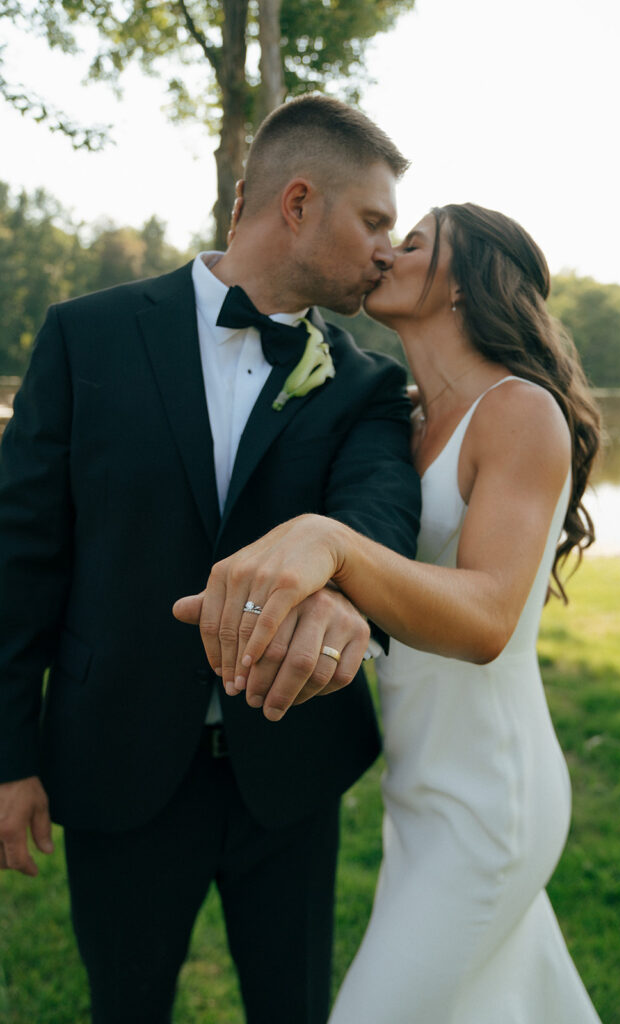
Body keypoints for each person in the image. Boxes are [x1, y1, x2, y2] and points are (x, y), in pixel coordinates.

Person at [0, 95, 422, 1024]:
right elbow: (19, 554)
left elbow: (380, 508)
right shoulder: (86, 335)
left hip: (292, 773)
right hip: (116, 760)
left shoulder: (368, 383)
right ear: (299, 202)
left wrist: (351, 594)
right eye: (375, 220)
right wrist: (6, 757)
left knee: (292, 1008)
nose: (388, 250)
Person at [175, 203, 604, 1022]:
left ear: (462, 283)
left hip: (487, 795)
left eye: (410, 244)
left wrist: (329, 543)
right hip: (417, 785)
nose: (384, 254)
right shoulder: (404, 418)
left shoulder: (517, 411)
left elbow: (485, 621)